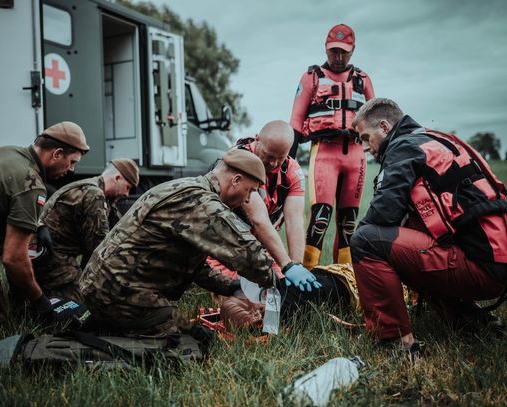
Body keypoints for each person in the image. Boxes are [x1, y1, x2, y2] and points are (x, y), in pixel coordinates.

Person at [350, 98, 507, 353]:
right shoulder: (436, 139)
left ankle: (396, 342)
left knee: (366, 240)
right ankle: (473, 322)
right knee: (410, 239)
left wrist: (364, 264)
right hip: (495, 257)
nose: (365, 148)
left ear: (385, 126)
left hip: (480, 265)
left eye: (367, 138)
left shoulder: (403, 147)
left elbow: (383, 214)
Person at [79, 149, 279, 337]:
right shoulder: (202, 202)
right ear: (236, 180)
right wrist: (280, 282)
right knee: (188, 343)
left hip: (107, 285)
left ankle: (109, 324)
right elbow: (246, 252)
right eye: (250, 191)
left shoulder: (185, 187)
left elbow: (193, 266)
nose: (247, 199)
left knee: (191, 331)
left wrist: (230, 286)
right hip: (119, 292)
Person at [0, 121, 90, 325]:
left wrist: (39, 225)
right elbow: (13, 259)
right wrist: (39, 299)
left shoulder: (8, 152)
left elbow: (5, 195)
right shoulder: (31, 185)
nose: (72, 170)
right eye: (72, 162)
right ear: (57, 154)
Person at [290, 23, 375, 268]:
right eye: (333, 51)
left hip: (356, 156)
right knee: (320, 218)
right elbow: (296, 119)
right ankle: (307, 276)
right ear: (326, 49)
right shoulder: (311, 77)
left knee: (349, 222)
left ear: (353, 50)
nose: (338, 57)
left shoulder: (363, 79)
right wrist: (290, 160)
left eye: (344, 52)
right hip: (324, 153)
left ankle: (344, 278)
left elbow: (378, 119)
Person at [208, 120, 321, 292]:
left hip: (257, 248)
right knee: (243, 292)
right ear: (257, 139)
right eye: (268, 155)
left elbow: (295, 221)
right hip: (223, 245)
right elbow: (258, 219)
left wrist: (295, 265)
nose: (273, 163)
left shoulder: (292, 171)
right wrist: (287, 265)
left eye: (280, 157)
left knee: (282, 286)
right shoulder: (239, 160)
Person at [34, 159, 140, 302]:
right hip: (51, 256)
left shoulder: (100, 193)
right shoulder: (94, 194)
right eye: (127, 187)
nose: (127, 194)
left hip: (52, 252)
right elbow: (98, 247)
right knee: (83, 303)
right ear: (117, 178)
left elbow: (118, 230)